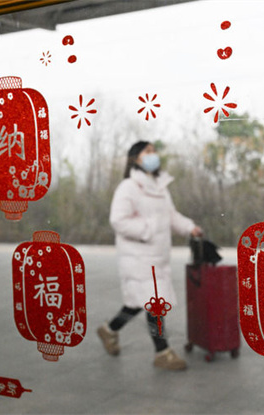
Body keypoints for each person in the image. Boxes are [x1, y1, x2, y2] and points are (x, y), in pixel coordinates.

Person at [97, 141, 203, 370]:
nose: (153, 155)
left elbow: (171, 215)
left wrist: (189, 227)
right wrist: (149, 229)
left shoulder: (159, 187)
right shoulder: (128, 187)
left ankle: (109, 330)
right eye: (148, 151)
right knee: (154, 303)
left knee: (137, 303)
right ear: (135, 158)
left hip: (157, 256)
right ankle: (162, 352)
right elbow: (118, 220)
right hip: (137, 256)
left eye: (154, 151)